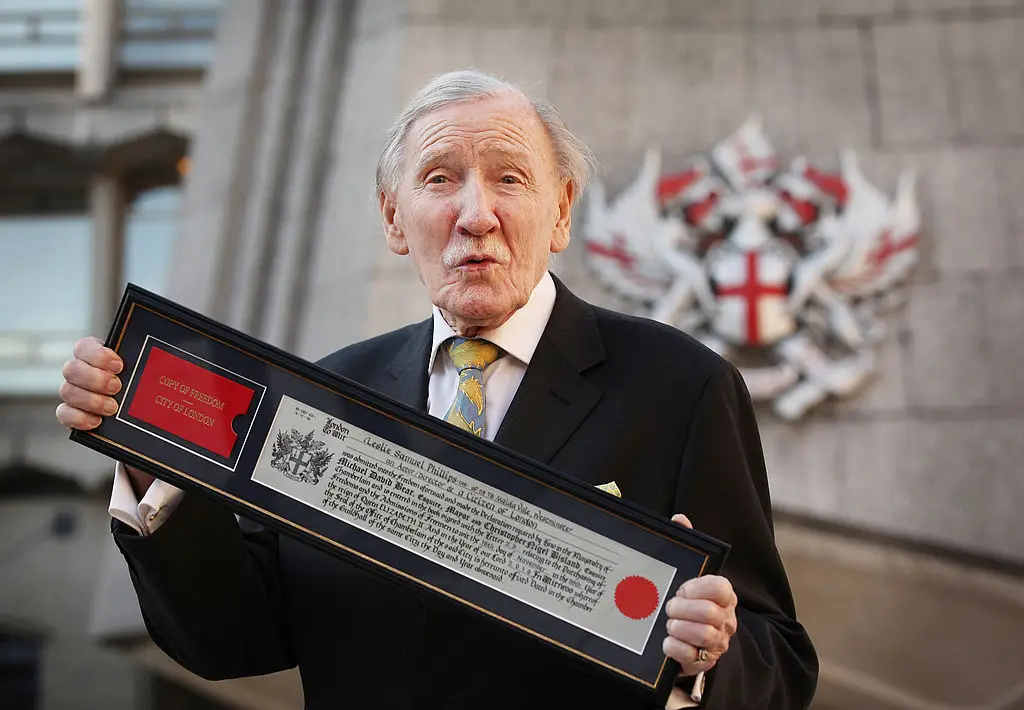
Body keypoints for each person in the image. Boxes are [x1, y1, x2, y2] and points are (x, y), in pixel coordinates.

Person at [56, 70, 817, 709]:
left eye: (510, 179)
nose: (475, 214)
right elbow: (231, 639)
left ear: (561, 212)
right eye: (440, 179)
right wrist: (156, 468)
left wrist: (708, 657)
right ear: (394, 218)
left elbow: (778, 662)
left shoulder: (680, 386)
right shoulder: (333, 396)